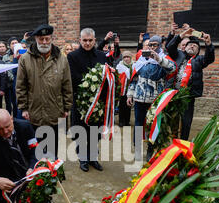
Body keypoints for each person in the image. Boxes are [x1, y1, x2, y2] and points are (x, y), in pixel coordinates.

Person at [0, 109, 58, 203]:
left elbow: (35, 150)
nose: (5, 132)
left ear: (11, 119)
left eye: (7, 126)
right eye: (0, 129)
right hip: (8, 176)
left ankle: (44, 200)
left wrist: (32, 167)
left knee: (49, 161)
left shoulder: (25, 126)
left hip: (27, 167)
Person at [16, 24, 73, 160]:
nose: (44, 42)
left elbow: (67, 84)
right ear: (36, 39)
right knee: (36, 148)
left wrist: (67, 107)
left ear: (51, 38)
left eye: (47, 39)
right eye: (41, 39)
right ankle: (39, 175)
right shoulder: (26, 59)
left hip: (55, 109)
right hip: (34, 111)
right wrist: (23, 108)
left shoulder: (61, 58)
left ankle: (53, 173)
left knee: (53, 147)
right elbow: (20, 86)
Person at [126, 35, 176, 160]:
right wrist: (130, 94)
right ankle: (137, 151)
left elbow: (172, 68)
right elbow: (134, 79)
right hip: (139, 99)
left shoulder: (163, 59)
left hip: (155, 101)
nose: (152, 47)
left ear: (160, 46)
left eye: (155, 45)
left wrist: (158, 59)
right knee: (138, 125)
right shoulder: (141, 60)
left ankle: (150, 151)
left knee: (153, 126)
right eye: (150, 45)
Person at [67, 28, 107, 172]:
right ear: (80, 40)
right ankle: (83, 158)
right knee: (81, 131)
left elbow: (106, 74)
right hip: (81, 101)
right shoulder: (72, 56)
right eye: (85, 40)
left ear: (95, 40)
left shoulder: (102, 55)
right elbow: (73, 77)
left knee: (95, 132)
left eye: (90, 40)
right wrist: (90, 83)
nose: (88, 43)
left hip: (98, 102)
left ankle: (93, 158)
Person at [167, 27, 215, 141]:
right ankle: (173, 140)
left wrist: (208, 44)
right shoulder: (178, 55)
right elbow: (170, 47)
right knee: (173, 119)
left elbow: (210, 58)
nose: (192, 46)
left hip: (188, 97)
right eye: (189, 45)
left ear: (198, 51)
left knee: (186, 122)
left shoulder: (199, 60)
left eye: (195, 46)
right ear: (185, 48)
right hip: (174, 94)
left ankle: (183, 142)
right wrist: (182, 35)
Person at [116, 51, 134, 127]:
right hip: (123, 89)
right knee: (122, 105)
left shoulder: (134, 65)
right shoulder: (119, 66)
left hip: (131, 89)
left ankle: (127, 121)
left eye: (128, 57)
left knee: (128, 106)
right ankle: (121, 121)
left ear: (130, 58)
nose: (126, 59)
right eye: (125, 57)